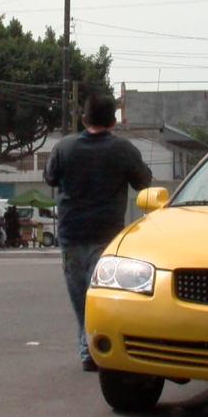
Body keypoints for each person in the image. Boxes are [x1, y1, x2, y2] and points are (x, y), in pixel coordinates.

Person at [44, 92, 153, 372]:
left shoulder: (64, 147)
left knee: (81, 298)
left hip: (71, 235)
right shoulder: (124, 149)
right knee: (103, 298)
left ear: (83, 119)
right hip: (109, 237)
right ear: (113, 122)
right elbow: (143, 182)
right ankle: (95, 349)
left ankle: (88, 349)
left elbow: (50, 177)